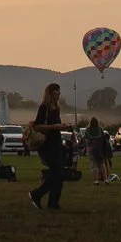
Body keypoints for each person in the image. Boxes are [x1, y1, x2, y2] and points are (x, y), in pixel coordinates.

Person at [28, 83, 72, 211]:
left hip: (56, 143)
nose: (59, 93)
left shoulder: (56, 108)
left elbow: (55, 125)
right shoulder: (44, 107)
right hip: (47, 145)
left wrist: (63, 126)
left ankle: (53, 202)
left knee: (58, 173)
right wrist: (55, 127)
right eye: (57, 91)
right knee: (58, 173)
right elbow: (37, 126)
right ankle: (37, 194)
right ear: (50, 92)